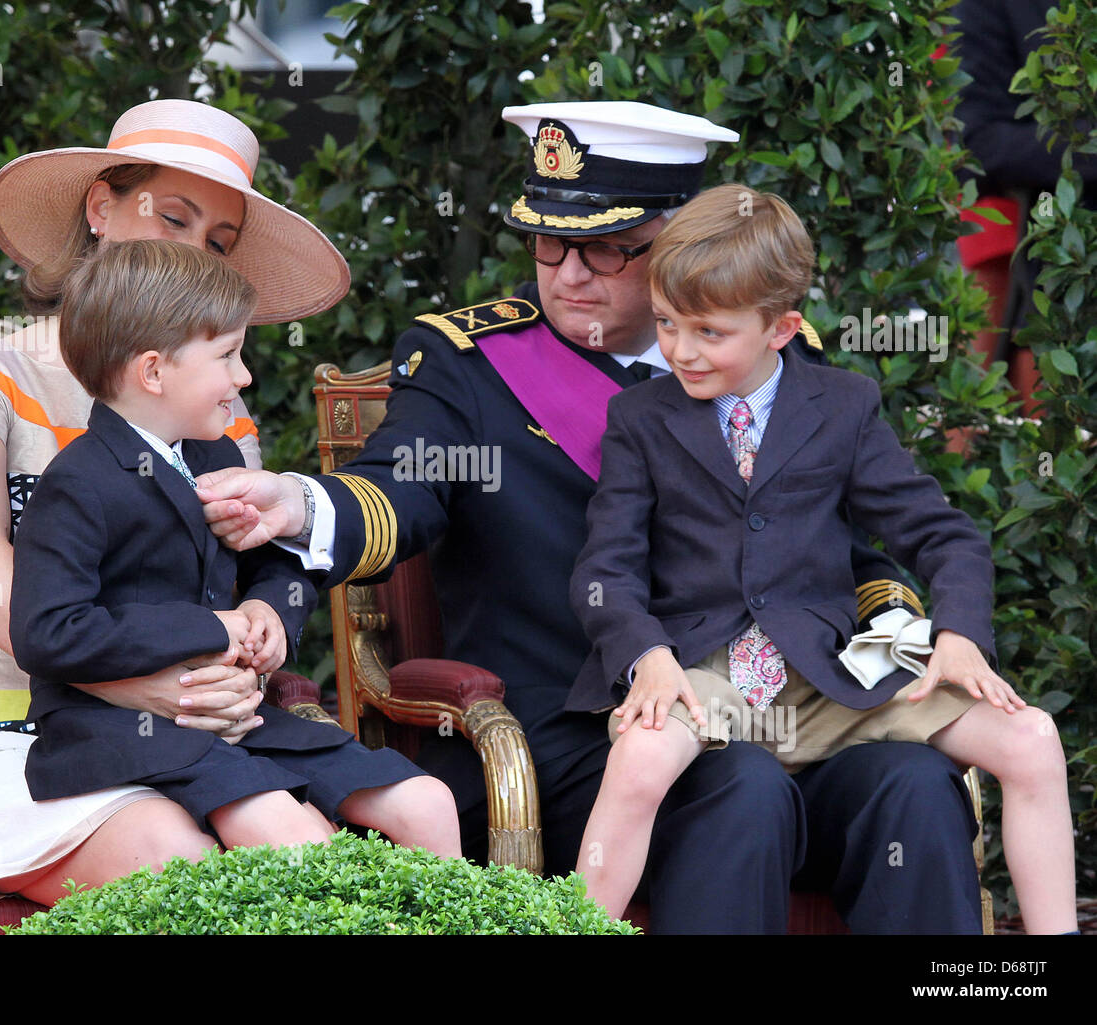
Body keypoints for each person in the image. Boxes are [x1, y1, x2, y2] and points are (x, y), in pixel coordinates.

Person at [198, 102, 992, 933]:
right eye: (549, 240)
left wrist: (897, 649)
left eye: (608, 247)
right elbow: (401, 489)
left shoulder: (778, 360)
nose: (569, 273)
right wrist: (300, 502)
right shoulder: (472, 368)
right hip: (577, 736)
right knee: (740, 788)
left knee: (913, 785)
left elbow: (858, 556)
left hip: (784, 708)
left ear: (681, 241)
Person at [566, 183, 1075, 932]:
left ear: (782, 328)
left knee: (1033, 739)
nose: (680, 349)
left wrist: (960, 633)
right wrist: (645, 654)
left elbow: (945, 535)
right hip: (707, 677)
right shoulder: (640, 416)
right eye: (669, 323)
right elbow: (604, 570)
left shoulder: (843, 405)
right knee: (639, 759)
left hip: (831, 685)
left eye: (709, 331)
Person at [0, 99, 351, 904]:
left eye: (216, 243)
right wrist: (126, 686)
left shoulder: (217, 406)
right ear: (102, 208)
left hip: (190, 736)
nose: (193, 254)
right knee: (182, 863)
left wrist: (257, 639)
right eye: (172, 219)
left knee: (322, 836)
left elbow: (249, 576)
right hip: (1, 737)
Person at [8, 239, 457, 856]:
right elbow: (47, 633)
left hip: (235, 719)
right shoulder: (77, 484)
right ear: (153, 372)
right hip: (110, 730)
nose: (244, 378)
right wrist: (210, 629)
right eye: (227, 356)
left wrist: (272, 609)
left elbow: (274, 559)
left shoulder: (213, 455)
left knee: (427, 803)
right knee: (290, 833)